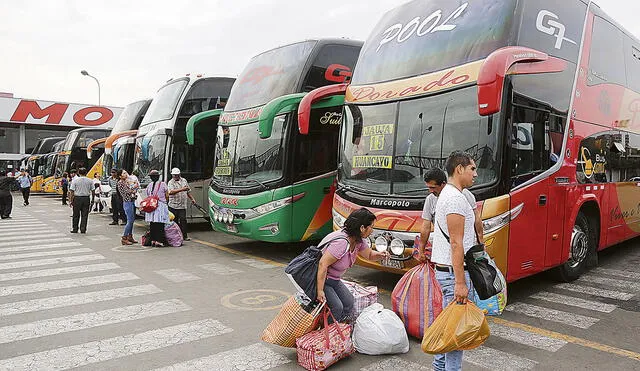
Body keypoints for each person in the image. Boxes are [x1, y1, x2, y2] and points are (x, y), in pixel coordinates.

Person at [431, 151, 479, 371]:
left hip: (448, 272)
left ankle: (439, 369)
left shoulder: (449, 196)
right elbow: (456, 244)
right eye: (472, 169)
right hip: (453, 275)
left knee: (449, 327)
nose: (475, 174)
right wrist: (460, 282)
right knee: (456, 334)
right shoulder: (455, 199)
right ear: (459, 169)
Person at [316, 208, 390, 322]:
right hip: (323, 280)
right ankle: (328, 334)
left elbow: (369, 255)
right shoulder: (342, 243)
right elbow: (322, 264)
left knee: (349, 302)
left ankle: (340, 328)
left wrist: (381, 255)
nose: (372, 230)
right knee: (337, 307)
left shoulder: (358, 241)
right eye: (371, 227)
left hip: (334, 280)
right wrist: (320, 291)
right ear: (362, 228)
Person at [417, 168, 483, 262]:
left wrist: (481, 243)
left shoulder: (463, 195)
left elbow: (476, 220)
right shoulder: (430, 199)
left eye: (433, 187)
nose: (430, 191)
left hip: (465, 252)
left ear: (443, 184)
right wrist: (421, 250)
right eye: (428, 187)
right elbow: (426, 227)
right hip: (442, 257)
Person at [167, 167, 196, 241]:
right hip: (173, 205)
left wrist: (192, 199)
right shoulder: (171, 182)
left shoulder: (184, 180)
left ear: (179, 174)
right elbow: (171, 192)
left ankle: (185, 236)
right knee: (174, 221)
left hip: (182, 205)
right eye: (174, 175)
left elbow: (188, 191)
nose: (175, 176)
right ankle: (175, 236)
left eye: (176, 175)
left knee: (183, 220)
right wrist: (182, 189)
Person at [144, 169, 169, 247]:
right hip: (160, 205)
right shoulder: (163, 184)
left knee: (152, 224)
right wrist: (166, 202)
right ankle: (159, 241)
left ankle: (153, 240)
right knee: (160, 224)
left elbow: (148, 195)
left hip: (152, 206)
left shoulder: (149, 185)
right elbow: (167, 195)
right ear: (158, 177)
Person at [69, 167, 94, 234]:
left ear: (78, 173)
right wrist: (93, 200)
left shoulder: (75, 181)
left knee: (75, 215)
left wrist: (71, 200)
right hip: (86, 198)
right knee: (85, 215)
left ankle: (75, 228)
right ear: (86, 173)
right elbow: (93, 190)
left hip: (77, 198)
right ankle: (83, 229)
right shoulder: (90, 180)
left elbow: (72, 191)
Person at [117, 169, 138, 245]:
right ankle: (124, 237)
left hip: (131, 201)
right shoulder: (120, 183)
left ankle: (130, 236)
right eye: (124, 173)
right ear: (120, 176)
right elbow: (127, 192)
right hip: (127, 202)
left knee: (132, 220)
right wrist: (134, 187)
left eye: (126, 172)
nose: (126, 174)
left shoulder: (126, 181)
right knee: (129, 220)